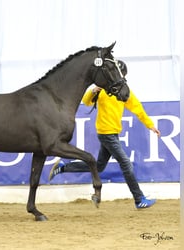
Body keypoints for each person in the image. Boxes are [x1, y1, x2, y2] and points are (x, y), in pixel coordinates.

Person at [49, 61, 161, 209]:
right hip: (106, 134)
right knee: (126, 164)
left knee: (99, 167)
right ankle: (139, 199)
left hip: (113, 134)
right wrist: (93, 90)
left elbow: (138, 108)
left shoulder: (124, 92)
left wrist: (150, 125)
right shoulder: (102, 90)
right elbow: (86, 101)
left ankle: (63, 167)